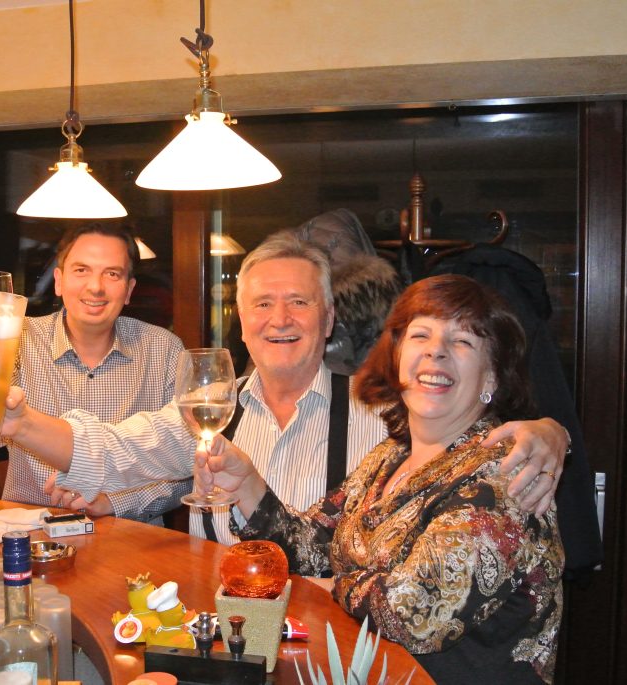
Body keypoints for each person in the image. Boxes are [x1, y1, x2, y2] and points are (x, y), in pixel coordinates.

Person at [0, 231, 569, 543]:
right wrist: (19, 423)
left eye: (299, 302)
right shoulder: (211, 409)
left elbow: (465, 427)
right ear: (242, 321)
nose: (280, 320)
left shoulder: (383, 411)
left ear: (328, 318)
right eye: (263, 304)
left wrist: (548, 431)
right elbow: (113, 450)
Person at [198, 274, 563, 683]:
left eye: (462, 341)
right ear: (397, 355)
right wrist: (247, 484)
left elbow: (413, 613)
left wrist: (335, 585)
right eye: (420, 335)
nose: (436, 351)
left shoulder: (506, 472)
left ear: (491, 376)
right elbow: (315, 546)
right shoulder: (391, 455)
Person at [0, 223, 188, 520]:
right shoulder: (16, 339)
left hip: (129, 533)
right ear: (59, 282)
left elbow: (186, 469)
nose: (95, 286)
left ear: (129, 290)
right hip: (30, 530)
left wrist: (114, 502)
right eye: (81, 270)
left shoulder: (164, 350)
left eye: (112, 274)